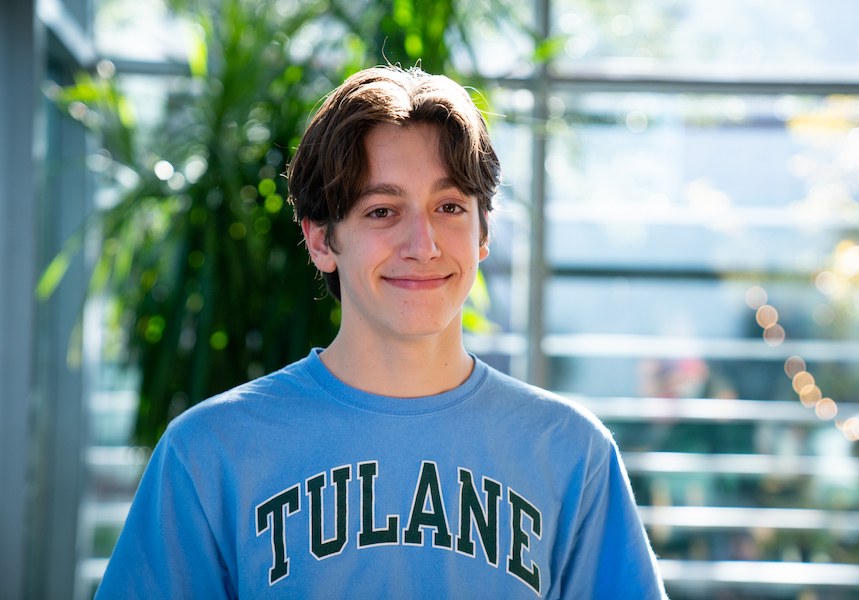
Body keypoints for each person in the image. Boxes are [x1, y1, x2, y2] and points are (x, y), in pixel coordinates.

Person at [95, 66, 667, 599]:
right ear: (321, 239)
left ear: (483, 232)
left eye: (449, 206)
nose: (423, 245)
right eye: (381, 211)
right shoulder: (207, 454)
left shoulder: (571, 453)